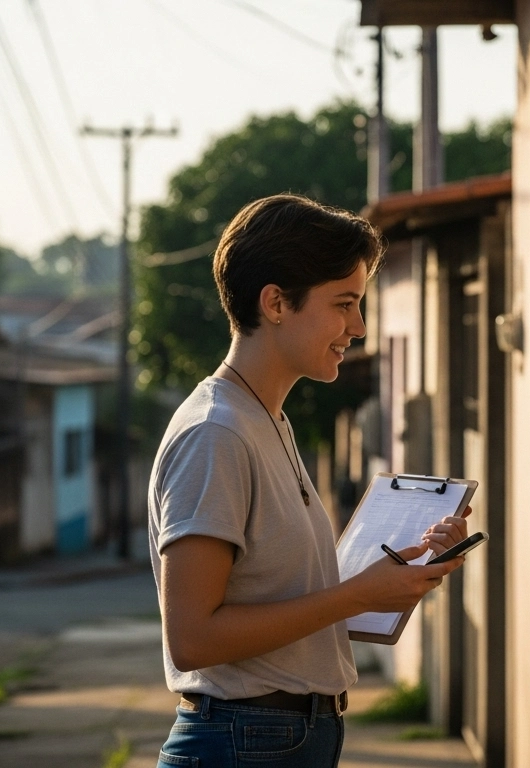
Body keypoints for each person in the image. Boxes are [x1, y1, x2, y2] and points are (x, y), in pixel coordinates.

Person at [147, 194, 469, 767]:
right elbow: (193, 638)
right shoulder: (217, 433)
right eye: (344, 304)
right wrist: (357, 594)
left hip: (279, 739)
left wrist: (395, 578)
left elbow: (290, 601)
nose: (359, 327)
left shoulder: (266, 418)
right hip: (243, 742)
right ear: (275, 303)